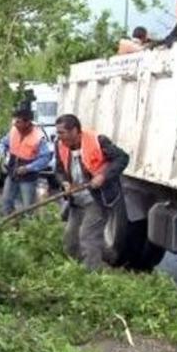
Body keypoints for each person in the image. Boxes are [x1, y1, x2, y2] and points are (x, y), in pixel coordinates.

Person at [55, 114, 130, 270]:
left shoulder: (99, 141)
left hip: (97, 199)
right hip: (77, 200)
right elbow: (59, 170)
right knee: (70, 241)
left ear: (74, 130)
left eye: (62, 132)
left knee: (88, 236)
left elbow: (122, 158)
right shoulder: (60, 145)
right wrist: (65, 183)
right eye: (58, 132)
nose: (59, 136)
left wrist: (103, 176)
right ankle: (106, 259)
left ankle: (92, 274)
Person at [0, 108, 52, 215]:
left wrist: (28, 168)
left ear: (27, 122)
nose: (15, 124)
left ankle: (28, 223)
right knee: (6, 202)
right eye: (14, 121)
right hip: (12, 173)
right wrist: (2, 153)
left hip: (28, 178)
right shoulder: (14, 131)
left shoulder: (38, 137)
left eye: (18, 122)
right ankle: (8, 221)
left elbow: (45, 158)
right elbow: (2, 143)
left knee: (27, 207)